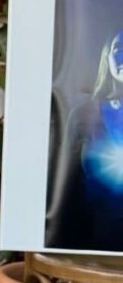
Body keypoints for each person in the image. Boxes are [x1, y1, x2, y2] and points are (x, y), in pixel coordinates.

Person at [46, 31, 123, 249]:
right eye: (118, 49)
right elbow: (66, 180)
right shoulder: (84, 114)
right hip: (98, 231)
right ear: (106, 57)